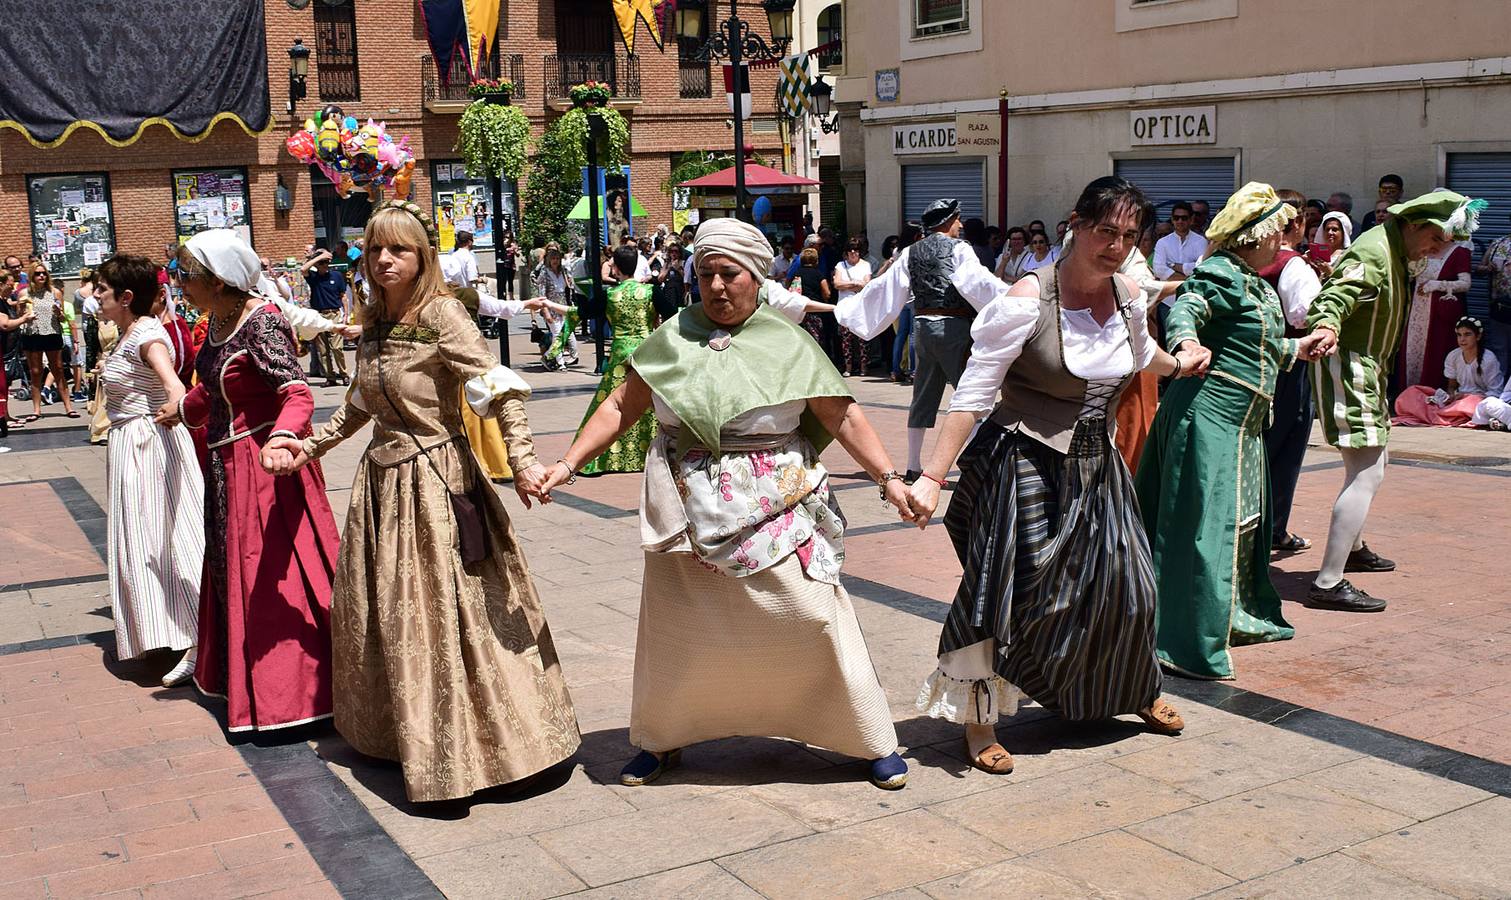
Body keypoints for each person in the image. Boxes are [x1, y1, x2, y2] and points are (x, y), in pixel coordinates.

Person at [537, 217, 914, 791]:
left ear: (757, 277)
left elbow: (842, 412)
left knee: (814, 614)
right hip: (684, 503)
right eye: (705, 273)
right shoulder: (672, 337)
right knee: (679, 629)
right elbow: (621, 405)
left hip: (778, 495)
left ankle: (866, 734)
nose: (715, 286)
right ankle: (661, 739)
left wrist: (888, 477)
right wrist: (566, 464)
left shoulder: (789, 340)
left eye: (729, 274)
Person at [262, 201, 580, 803]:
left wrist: (524, 460)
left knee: (447, 613)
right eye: (375, 249)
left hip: (438, 483)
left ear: (422, 257)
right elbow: (360, 403)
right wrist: (312, 446)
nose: (384, 259)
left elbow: (496, 387)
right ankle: (401, 734)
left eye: (399, 249)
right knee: (391, 614)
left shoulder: (443, 316)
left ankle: (479, 749)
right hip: (382, 487)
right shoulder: (374, 321)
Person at [907, 177, 1195, 773]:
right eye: (1105, 231)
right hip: (1027, 461)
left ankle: (1133, 689)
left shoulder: (1128, 295)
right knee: (1002, 595)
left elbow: (1141, 357)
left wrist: (1182, 364)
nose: (1115, 246)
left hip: (1099, 465)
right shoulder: (1023, 301)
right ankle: (978, 721)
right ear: (1076, 223)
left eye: (1128, 235)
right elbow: (976, 392)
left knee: (1130, 585)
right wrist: (933, 476)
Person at [1137, 183, 1333, 680]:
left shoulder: (1256, 282)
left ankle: (1227, 617)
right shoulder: (1221, 272)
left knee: (1240, 528)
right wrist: (1184, 342)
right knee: (1201, 530)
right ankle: (1182, 637)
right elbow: (1186, 307)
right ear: (1254, 235)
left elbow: (1254, 346)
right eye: (1276, 232)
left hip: (1243, 427)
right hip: (1207, 419)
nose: (1283, 239)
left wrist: (1298, 349)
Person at [154, 229, 340, 732]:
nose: (180, 283)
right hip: (224, 467)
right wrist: (182, 408)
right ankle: (244, 685)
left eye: (186, 275)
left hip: (263, 472)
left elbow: (296, 393)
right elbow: (214, 389)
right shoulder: (216, 321)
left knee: (269, 575)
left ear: (218, 280)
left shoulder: (262, 322)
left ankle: (294, 697)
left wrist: (282, 439)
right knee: (231, 568)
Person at [1306, 190, 1486, 611]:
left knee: (1372, 464)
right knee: (1367, 470)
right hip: (1348, 363)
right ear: (1414, 225)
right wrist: (1327, 327)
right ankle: (1329, 581)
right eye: (1436, 240)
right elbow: (1332, 299)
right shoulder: (1371, 252)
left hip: (1368, 365)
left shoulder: (1392, 246)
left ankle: (1352, 546)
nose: (1437, 250)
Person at [836, 199, 1008, 481]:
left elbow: (886, 287)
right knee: (970, 394)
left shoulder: (910, 252)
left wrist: (850, 310)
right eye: (958, 219)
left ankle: (913, 466)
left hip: (923, 329)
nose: (961, 225)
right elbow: (977, 282)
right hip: (953, 328)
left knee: (922, 398)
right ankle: (982, 463)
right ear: (948, 221)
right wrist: (1013, 296)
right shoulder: (960, 249)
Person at [96, 255, 204, 687]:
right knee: (141, 540)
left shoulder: (146, 332)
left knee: (167, 539)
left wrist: (177, 405)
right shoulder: (128, 333)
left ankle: (198, 638)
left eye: (102, 289)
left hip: (148, 445)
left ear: (125, 297)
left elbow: (173, 380)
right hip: (129, 446)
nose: (95, 295)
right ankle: (167, 631)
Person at [1260, 189, 1324, 554]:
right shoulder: (1292, 265)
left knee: (1261, 446)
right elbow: (1306, 315)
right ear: (1298, 222)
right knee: (1285, 447)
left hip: (1253, 363)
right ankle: (1273, 529)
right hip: (1289, 364)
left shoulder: (1245, 261)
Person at [573, 245, 659, 475]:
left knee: (612, 405)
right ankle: (652, 453)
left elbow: (583, 313)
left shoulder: (609, 295)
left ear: (617, 269)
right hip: (647, 353)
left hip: (621, 355)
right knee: (652, 403)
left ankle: (595, 455)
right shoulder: (651, 292)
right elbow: (673, 313)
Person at [1395, 234, 1472, 393]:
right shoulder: (1422, 249)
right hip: (1416, 309)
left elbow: (1465, 284)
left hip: (1439, 315)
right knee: (1411, 350)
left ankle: (1431, 395)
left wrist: (1438, 285)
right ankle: (1408, 394)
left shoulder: (1459, 252)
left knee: (1435, 353)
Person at [1394, 316, 1501, 427]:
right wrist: (1451, 395)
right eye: (1459, 335)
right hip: (1458, 400)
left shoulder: (1488, 359)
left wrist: (1468, 397)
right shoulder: (1453, 355)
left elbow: (1496, 392)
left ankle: (1440, 414)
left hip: (1478, 401)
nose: (1462, 339)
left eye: (1467, 334)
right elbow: (1452, 386)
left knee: (1467, 404)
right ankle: (1443, 413)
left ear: (1478, 336)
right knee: (1412, 392)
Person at [19, 264, 78, 420]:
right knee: (36, 371)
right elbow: (19, 316)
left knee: (58, 368)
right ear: (32, 276)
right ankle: (36, 409)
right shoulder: (25, 293)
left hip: (52, 332)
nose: (41, 276)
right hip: (32, 333)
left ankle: (68, 407)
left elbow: (63, 318)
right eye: (37, 274)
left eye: (44, 273)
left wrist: (59, 313)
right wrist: (22, 310)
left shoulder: (54, 292)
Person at [300, 249, 351, 387]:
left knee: (337, 348)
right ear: (316, 264)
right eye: (322, 263)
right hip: (319, 315)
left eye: (327, 262)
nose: (325, 265)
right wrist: (319, 256)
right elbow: (303, 269)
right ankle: (330, 377)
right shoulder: (313, 277)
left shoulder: (336, 276)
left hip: (334, 314)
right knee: (323, 350)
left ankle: (344, 374)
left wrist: (346, 315)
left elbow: (343, 296)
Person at [0, 274, 35, 444]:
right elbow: (5, 324)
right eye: (9, 284)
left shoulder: (4, 301)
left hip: (7, 349)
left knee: (4, 385)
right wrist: (24, 319)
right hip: (3, 349)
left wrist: (19, 309)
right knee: (1, 385)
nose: (12, 288)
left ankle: (5, 416)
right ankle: (3, 418)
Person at [832, 238, 873, 376]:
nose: (853, 252)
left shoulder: (865, 265)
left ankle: (863, 367)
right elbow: (837, 284)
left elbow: (867, 284)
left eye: (856, 250)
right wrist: (855, 283)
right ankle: (848, 367)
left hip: (861, 306)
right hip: (844, 306)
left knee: (862, 337)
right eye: (850, 250)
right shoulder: (840, 265)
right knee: (846, 338)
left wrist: (847, 284)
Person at [534, 243, 579, 369]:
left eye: (557, 259)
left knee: (564, 333)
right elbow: (541, 293)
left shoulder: (563, 272)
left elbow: (570, 286)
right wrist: (545, 311)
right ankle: (560, 362)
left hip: (563, 305)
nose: (555, 261)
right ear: (548, 260)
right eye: (553, 258)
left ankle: (548, 357)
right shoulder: (545, 273)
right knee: (557, 333)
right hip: (551, 306)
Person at [1476, 213, 1511, 369]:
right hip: (1500, 307)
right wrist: (1487, 268)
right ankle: (1498, 387)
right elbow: (1478, 269)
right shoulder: (1499, 243)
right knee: (1499, 349)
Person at [790, 246, 835, 360]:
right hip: (815, 310)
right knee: (817, 338)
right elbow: (827, 293)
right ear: (816, 261)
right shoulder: (818, 274)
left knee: (802, 338)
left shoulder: (796, 273)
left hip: (799, 310)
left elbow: (788, 286)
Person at [1152, 202, 1208, 284]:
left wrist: (1172, 265)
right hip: (1169, 294)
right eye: (1176, 218)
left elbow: (1201, 267)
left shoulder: (1201, 241)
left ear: (1191, 219)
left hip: (1192, 293)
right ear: (1172, 219)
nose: (1180, 221)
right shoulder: (1162, 242)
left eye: (1184, 218)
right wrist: (1187, 279)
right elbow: (1159, 270)